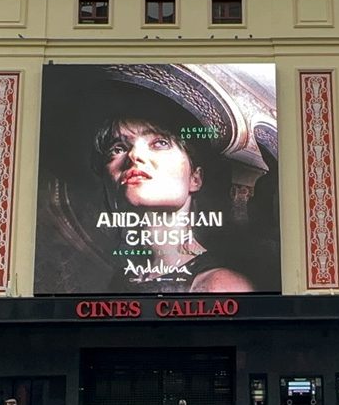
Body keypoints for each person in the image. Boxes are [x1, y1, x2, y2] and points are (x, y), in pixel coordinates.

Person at [93, 115, 254, 292]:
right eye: (118, 148)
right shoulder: (121, 280)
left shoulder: (219, 285)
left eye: (160, 143)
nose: (134, 155)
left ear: (195, 178)